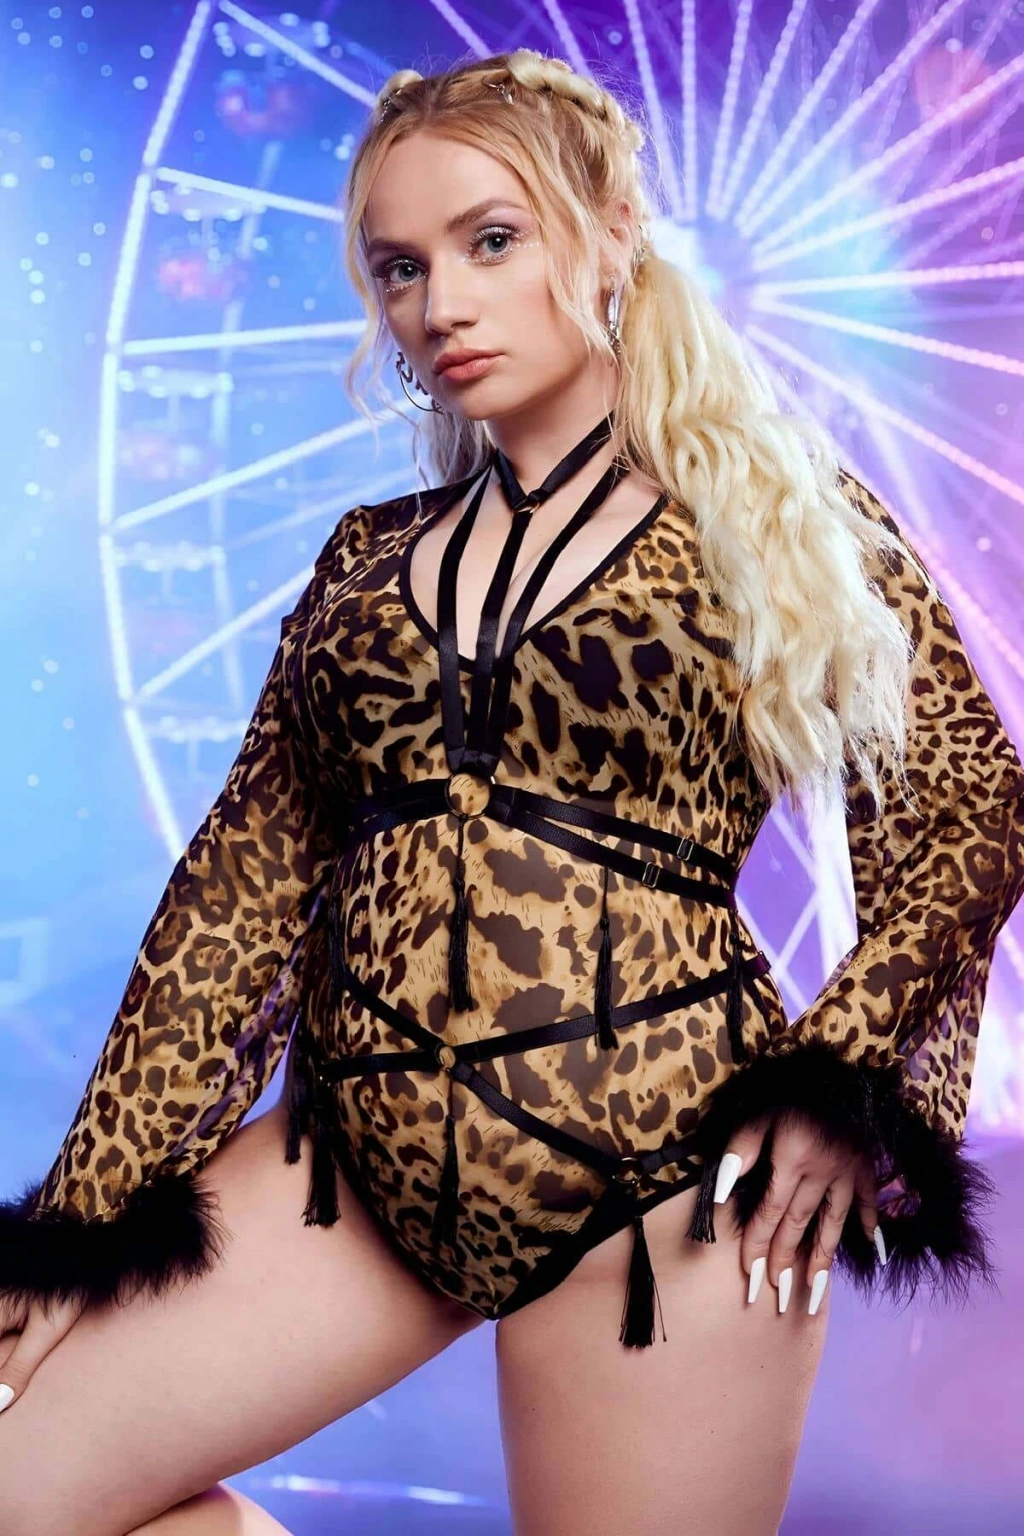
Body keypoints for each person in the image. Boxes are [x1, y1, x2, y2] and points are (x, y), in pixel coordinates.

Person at [1, 45, 1022, 1536]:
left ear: (611, 232)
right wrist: (79, 1228)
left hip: (674, 1192)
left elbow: (968, 802)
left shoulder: (780, 512)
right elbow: (238, 891)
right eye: (401, 268)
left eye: (492, 239)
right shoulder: (365, 562)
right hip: (349, 1171)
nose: (443, 305)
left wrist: (842, 1080)